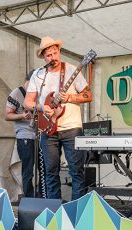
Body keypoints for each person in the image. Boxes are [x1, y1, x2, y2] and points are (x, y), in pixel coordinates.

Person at [24, 36, 92, 201]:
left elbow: (88, 95)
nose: (53, 57)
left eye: (55, 53)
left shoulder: (71, 70)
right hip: (48, 129)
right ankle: (54, 212)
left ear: (59, 52)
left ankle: (77, 211)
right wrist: (41, 107)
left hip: (71, 127)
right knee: (50, 171)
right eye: (49, 55)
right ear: (43, 57)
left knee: (76, 171)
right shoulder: (39, 75)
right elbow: (27, 102)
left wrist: (69, 97)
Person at [5, 70, 37, 198]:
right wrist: (22, 115)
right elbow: (7, 115)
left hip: (41, 135)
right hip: (25, 135)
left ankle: (43, 197)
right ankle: (29, 198)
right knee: (28, 170)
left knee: (46, 169)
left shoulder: (38, 93)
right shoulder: (16, 93)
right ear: (28, 81)